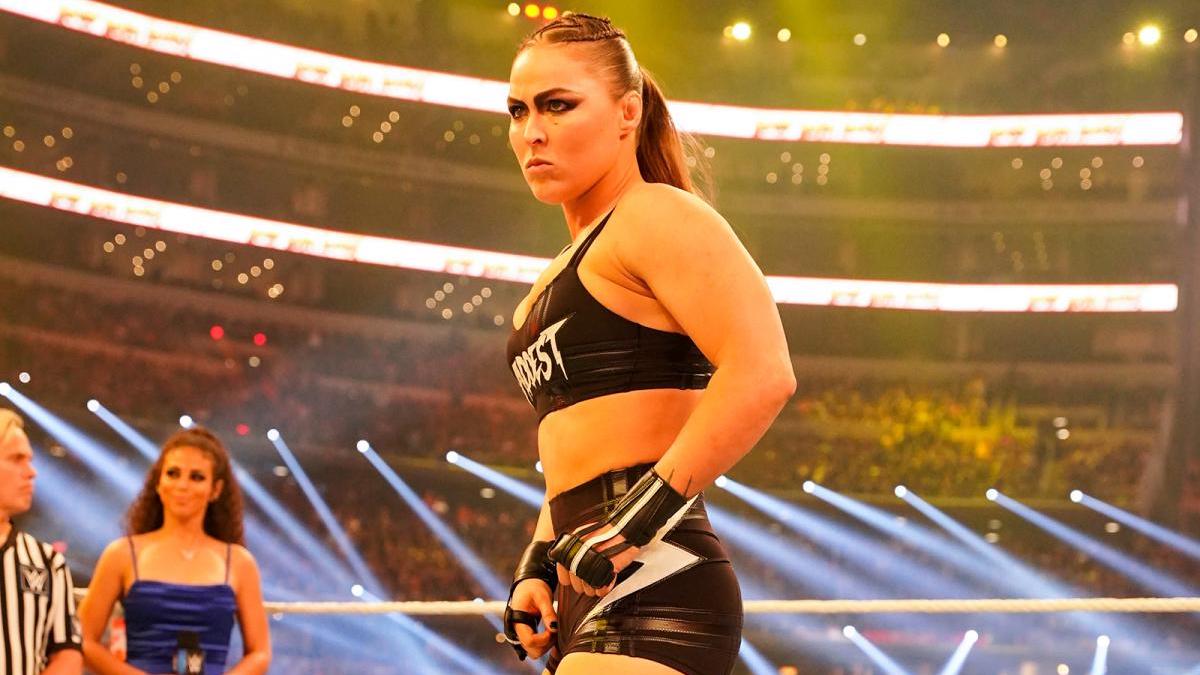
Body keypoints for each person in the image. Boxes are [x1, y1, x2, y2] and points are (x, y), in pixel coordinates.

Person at [501, 13, 796, 675]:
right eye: (518, 111)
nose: (532, 131)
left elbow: (763, 371)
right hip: (592, 578)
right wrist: (537, 563)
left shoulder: (655, 215)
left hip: (655, 575)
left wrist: (630, 526)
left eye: (557, 105)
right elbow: (580, 445)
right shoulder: (566, 265)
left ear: (627, 112)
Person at [78, 427, 270, 675]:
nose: (182, 485)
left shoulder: (239, 562)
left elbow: (260, 652)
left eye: (196, 477)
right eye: (173, 473)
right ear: (159, 482)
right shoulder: (121, 554)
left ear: (215, 490)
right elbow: (84, 639)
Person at [0, 408, 83, 675]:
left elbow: (68, 653)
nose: (31, 472)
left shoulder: (47, 562)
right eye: (17, 459)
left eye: (30, 460)